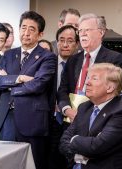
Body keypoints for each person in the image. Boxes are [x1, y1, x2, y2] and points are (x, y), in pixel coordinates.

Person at [0, 11, 57, 169]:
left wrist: (9, 85)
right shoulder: (8, 54)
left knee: (31, 164)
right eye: (23, 28)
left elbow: (38, 84)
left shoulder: (47, 57)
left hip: (32, 120)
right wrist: (19, 78)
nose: (26, 33)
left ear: (40, 33)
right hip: (6, 118)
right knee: (5, 164)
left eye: (31, 29)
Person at [60, 63, 122, 169]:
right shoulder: (84, 107)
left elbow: (96, 147)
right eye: (88, 78)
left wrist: (74, 139)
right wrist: (80, 156)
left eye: (94, 79)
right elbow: (63, 141)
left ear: (110, 88)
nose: (87, 83)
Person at [57, 13, 122, 123]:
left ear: (101, 32)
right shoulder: (72, 60)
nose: (82, 34)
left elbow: (112, 92)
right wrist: (67, 110)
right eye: (80, 31)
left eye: (87, 30)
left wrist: (86, 112)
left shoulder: (114, 59)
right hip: (70, 120)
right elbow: (62, 90)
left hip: (97, 120)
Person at [48, 24, 79, 169]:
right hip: (49, 120)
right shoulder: (47, 63)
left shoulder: (81, 65)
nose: (65, 44)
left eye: (70, 41)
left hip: (73, 119)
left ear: (77, 44)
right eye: (61, 40)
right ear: (56, 42)